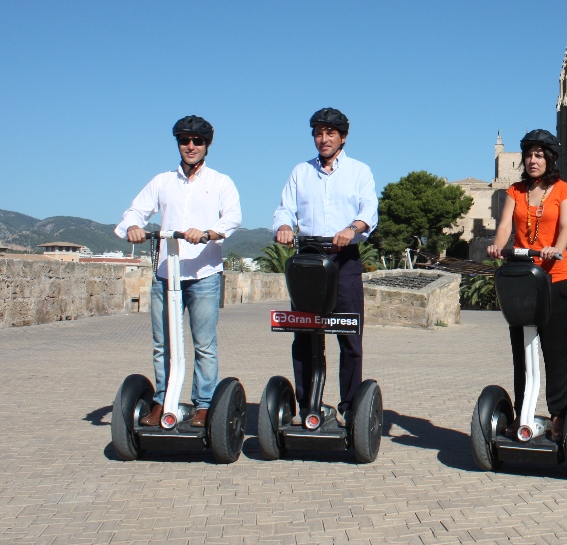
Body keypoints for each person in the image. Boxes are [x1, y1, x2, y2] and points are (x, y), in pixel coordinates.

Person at [116, 116, 242, 428]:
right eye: (185, 140)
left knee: (204, 345)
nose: (190, 146)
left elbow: (234, 217)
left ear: (207, 145)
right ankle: (163, 400)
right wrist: (133, 226)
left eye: (197, 141)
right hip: (166, 274)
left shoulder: (220, 182)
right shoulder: (162, 181)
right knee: (163, 345)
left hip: (204, 274)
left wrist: (210, 233)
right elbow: (136, 210)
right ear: (178, 143)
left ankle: (203, 405)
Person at [273, 108, 378, 426]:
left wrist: (353, 227)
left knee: (349, 334)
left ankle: (349, 405)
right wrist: (284, 227)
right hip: (308, 259)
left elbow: (369, 208)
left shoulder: (359, 172)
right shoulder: (300, 172)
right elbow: (285, 208)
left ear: (342, 137)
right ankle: (308, 405)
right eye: (318, 133)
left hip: (344, 260)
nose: (324, 139)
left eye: (330, 133)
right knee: (305, 334)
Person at [487, 129, 567, 441]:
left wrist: (557, 248)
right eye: (529, 155)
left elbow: (565, 227)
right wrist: (498, 246)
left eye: (539, 155)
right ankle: (523, 409)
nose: (533, 160)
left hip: (555, 279)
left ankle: (558, 414)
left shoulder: (564, 190)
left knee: (555, 351)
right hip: (524, 280)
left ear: (549, 158)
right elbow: (504, 226)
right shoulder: (515, 190)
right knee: (521, 351)